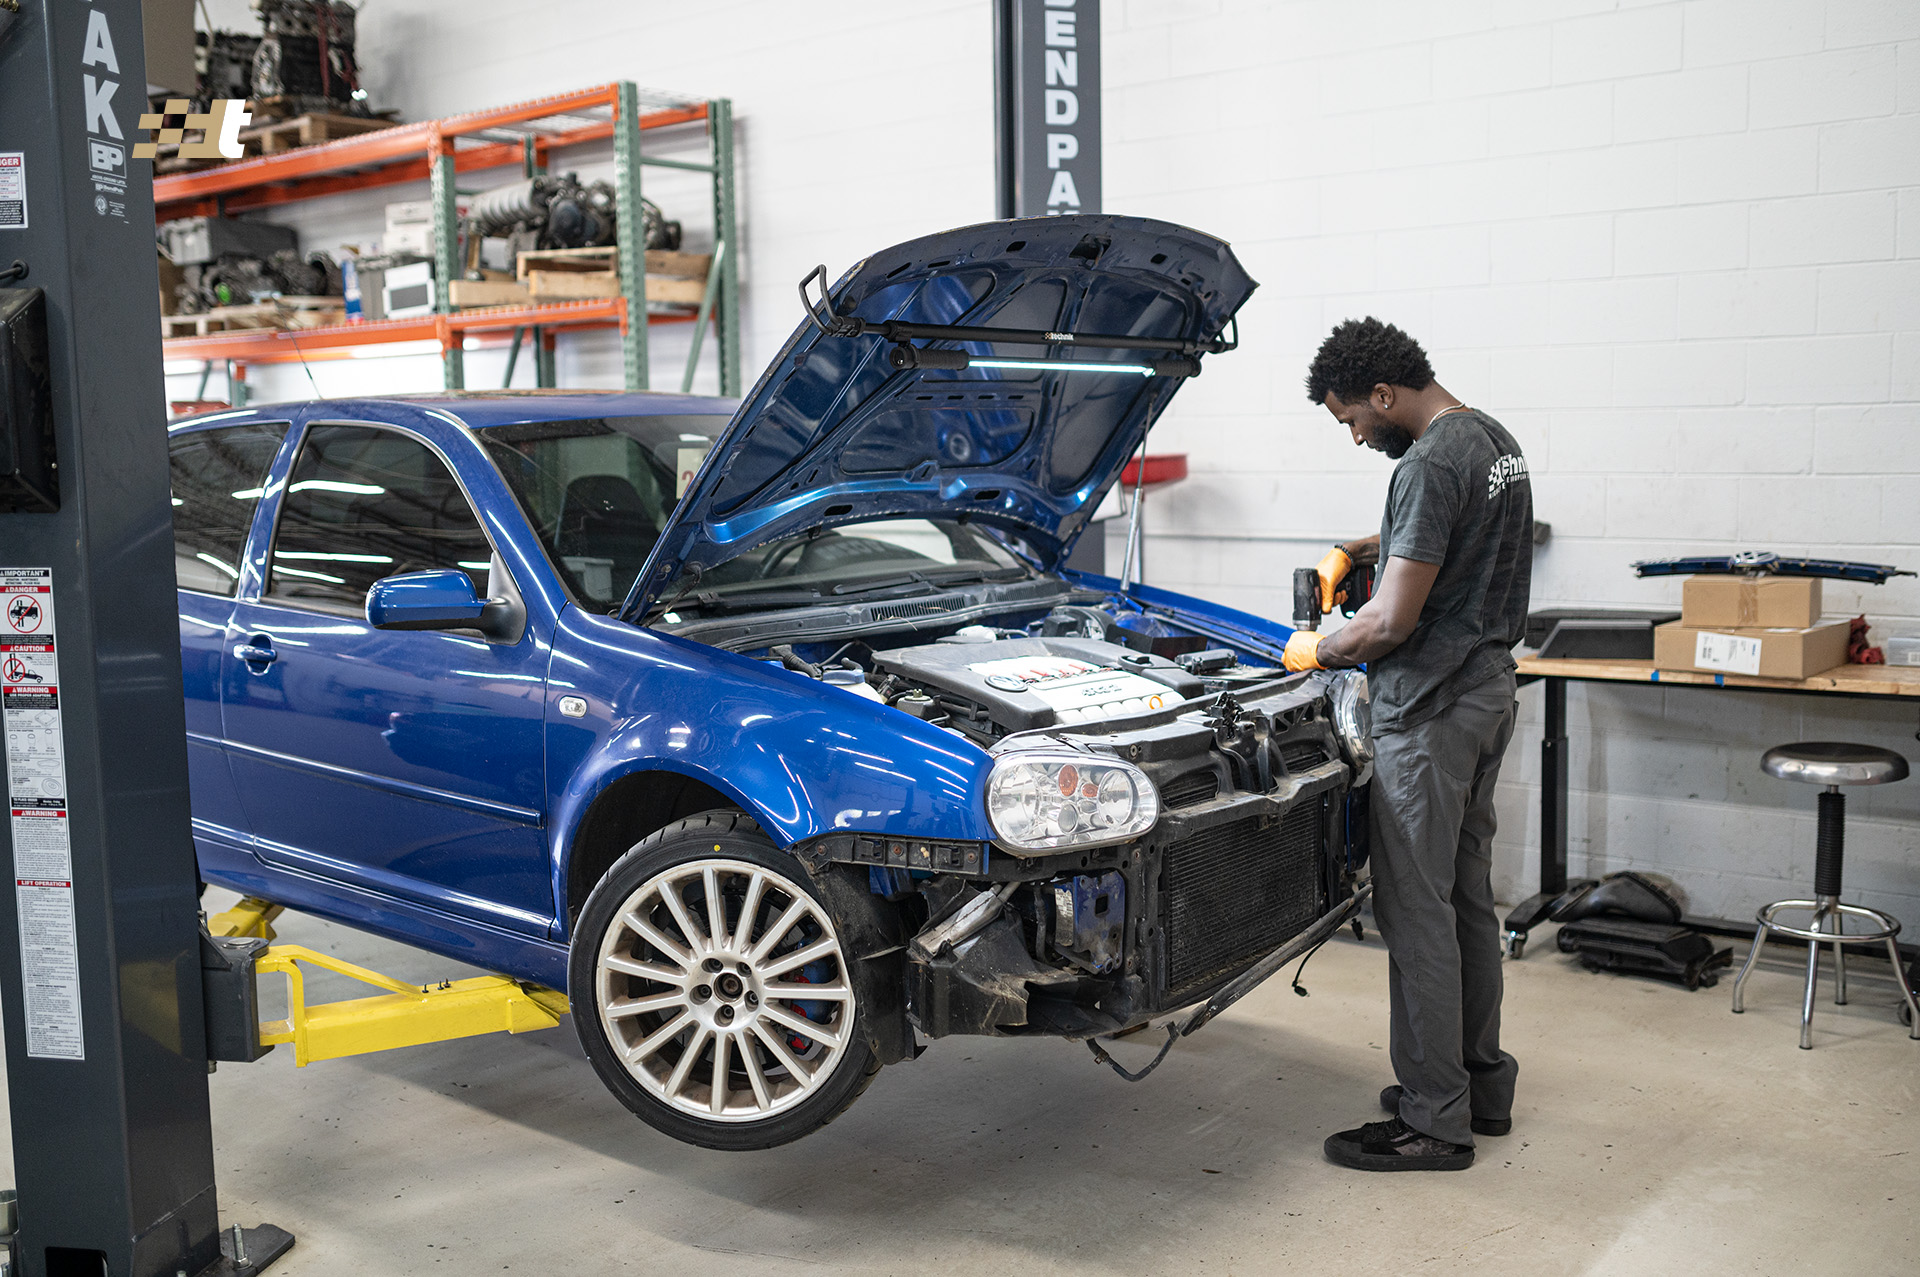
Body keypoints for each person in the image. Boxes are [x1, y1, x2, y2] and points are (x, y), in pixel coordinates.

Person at [1283, 316, 1534, 1172]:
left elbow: (1390, 622)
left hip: (1429, 711)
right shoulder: (1492, 440)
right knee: (1465, 898)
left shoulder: (1424, 464)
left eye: (1352, 418)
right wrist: (1362, 547)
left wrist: (1319, 648)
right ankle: (1479, 1087)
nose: (1357, 435)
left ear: (1384, 394)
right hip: (1487, 692)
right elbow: (1447, 539)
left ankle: (1433, 1118)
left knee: (1415, 912)